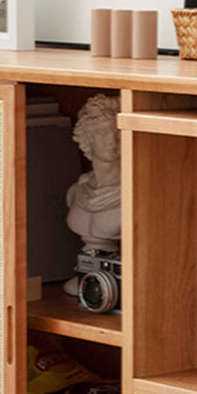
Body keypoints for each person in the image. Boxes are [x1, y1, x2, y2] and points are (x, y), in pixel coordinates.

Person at [63, 94, 121, 295]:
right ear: (87, 136)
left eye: (117, 132)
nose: (112, 140)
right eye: (102, 133)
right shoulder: (77, 191)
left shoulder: (131, 195)